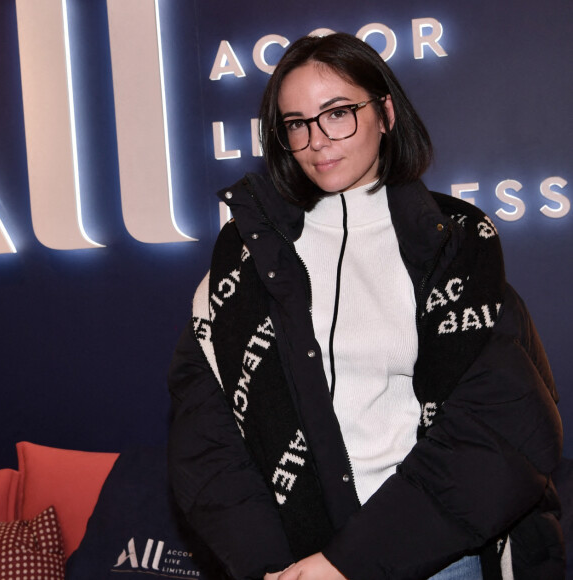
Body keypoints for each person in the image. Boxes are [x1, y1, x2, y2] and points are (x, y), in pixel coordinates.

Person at [167, 32, 564, 579]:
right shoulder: (244, 255)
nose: (317, 140)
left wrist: (348, 562)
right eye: (297, 122)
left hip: (433, 560)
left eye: (338, 113)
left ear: (386, 113)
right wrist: (275, 568)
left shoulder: (454, 242)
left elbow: (499, 429)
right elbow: (205, 437)